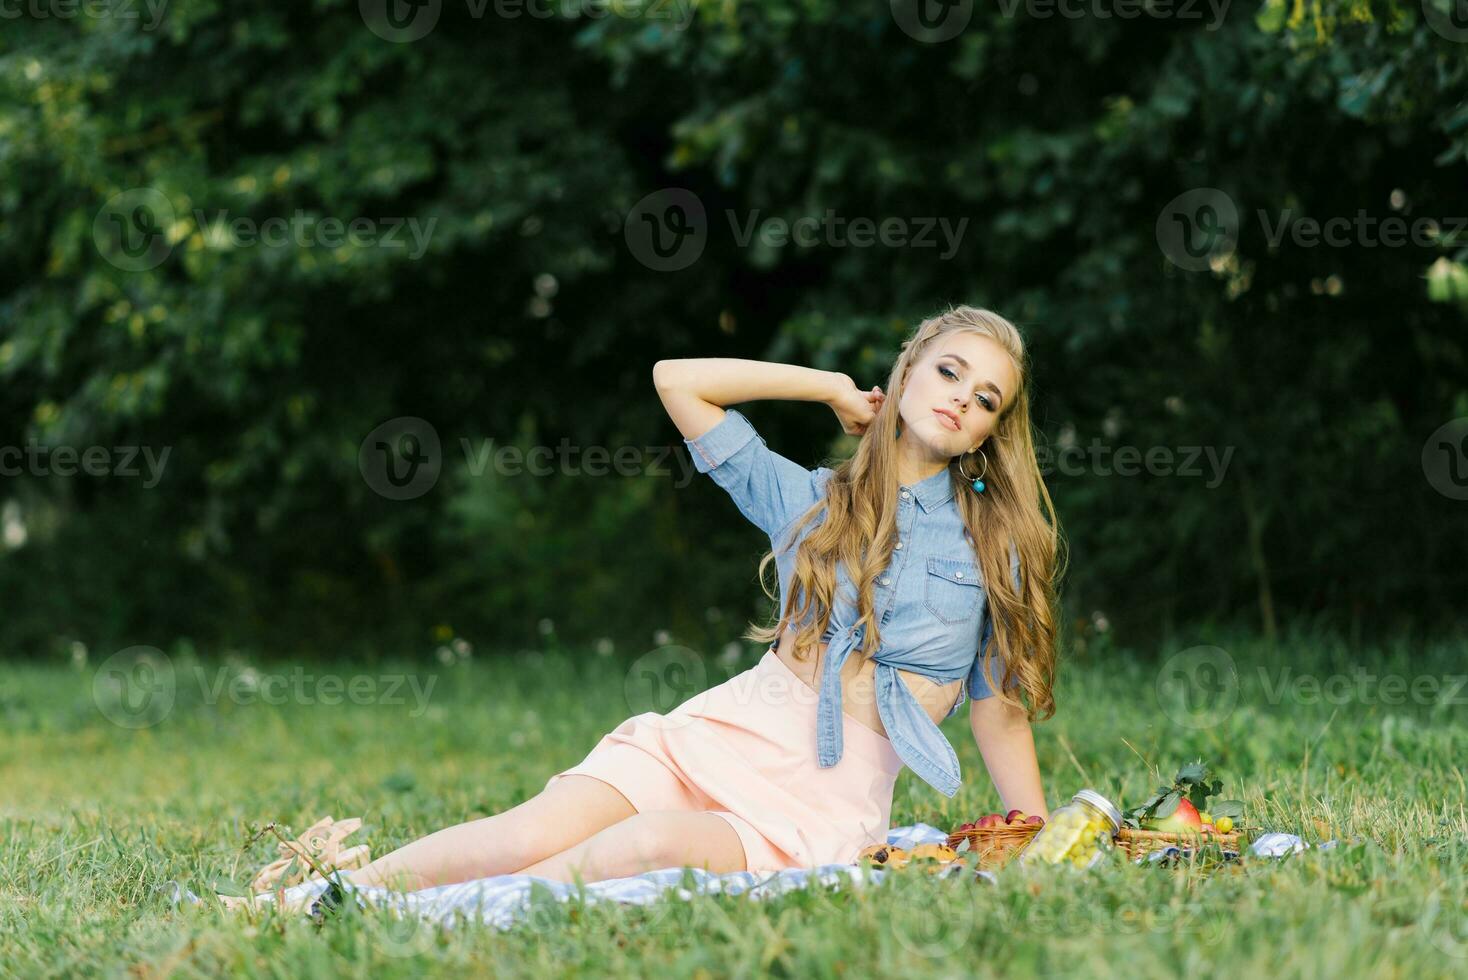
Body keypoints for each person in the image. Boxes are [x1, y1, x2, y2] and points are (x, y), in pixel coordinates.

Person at [341, 304, 1060, 891]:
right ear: (908, 375)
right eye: (948, 371)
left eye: (986, 397)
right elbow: (676, 381)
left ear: (989, 432)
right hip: (718, 737)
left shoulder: (997, 548)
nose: (962, 396)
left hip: (819, 803)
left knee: (645, 844)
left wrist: (1036, 833)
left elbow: (998, 711)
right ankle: (322, 897)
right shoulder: (809, 500)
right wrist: (829, 387)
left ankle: (448, 914)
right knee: (527, 833)